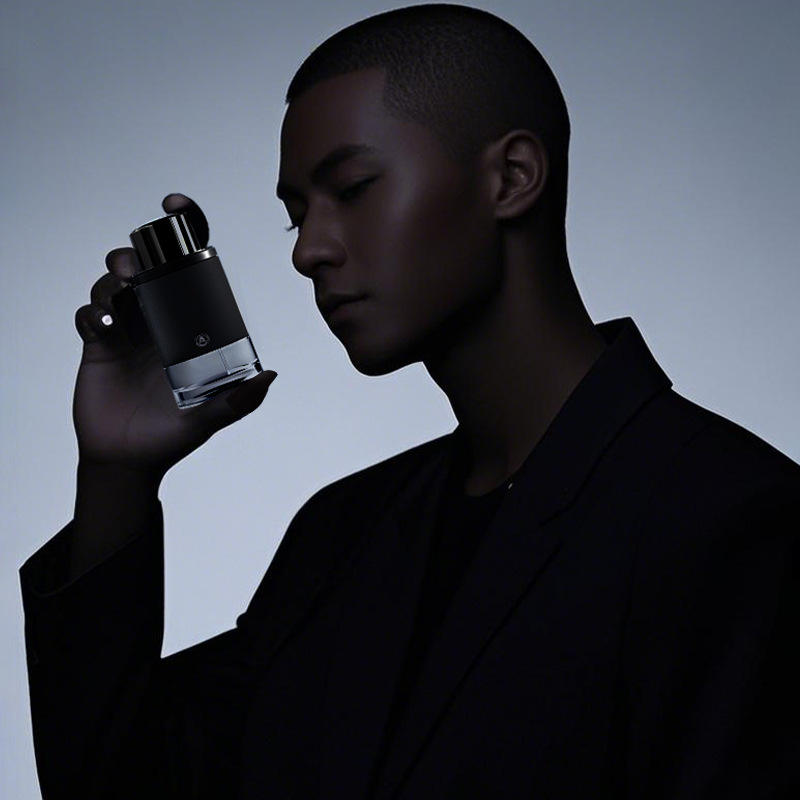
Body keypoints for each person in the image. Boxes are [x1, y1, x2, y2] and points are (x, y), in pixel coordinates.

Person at [19, 4, 800, 798]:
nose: (308, 250)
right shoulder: (340, 536)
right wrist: (116, 475)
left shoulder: (732, 521)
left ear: (512, 177)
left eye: (353, 189)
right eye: (296, 216)